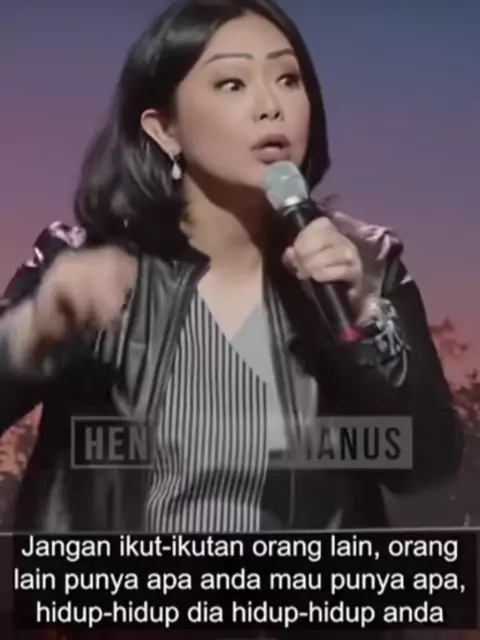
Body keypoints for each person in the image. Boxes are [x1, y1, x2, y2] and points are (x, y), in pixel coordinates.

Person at [0, 0, 462, 540]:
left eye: (288, 79)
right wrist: (34, 331)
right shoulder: (82, 264)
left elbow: (426, 465)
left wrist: (363, 322)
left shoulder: (366, 264)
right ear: (165, 129)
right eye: (232, 84)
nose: (272, 107)